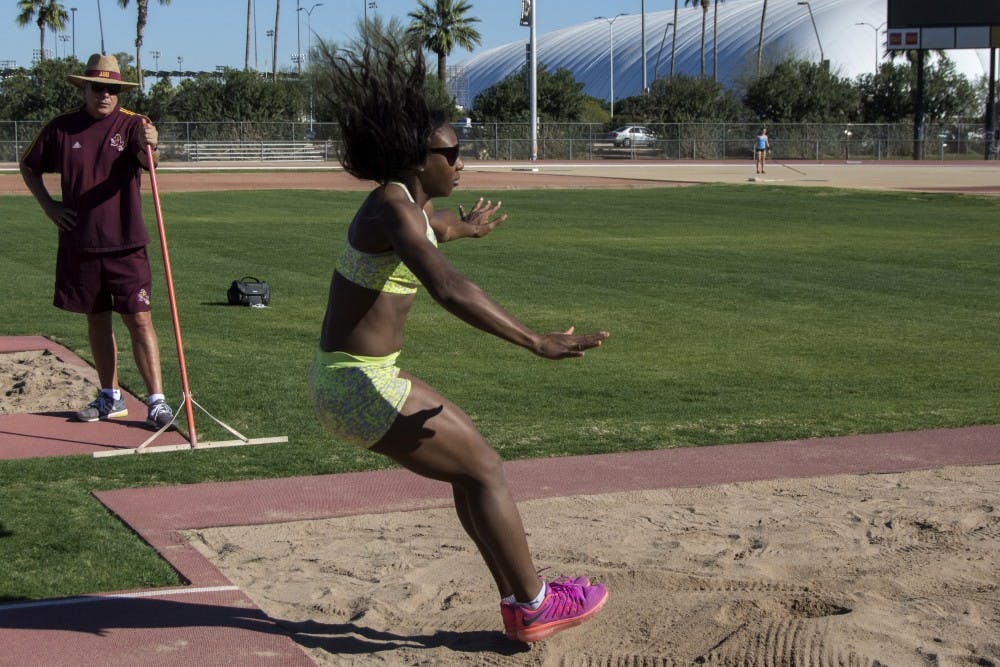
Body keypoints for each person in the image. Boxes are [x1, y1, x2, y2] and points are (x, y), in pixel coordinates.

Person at [308, 38, 610, 643]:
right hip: (358, 385)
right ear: (420, 159)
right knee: (487, 470)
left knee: (474, 473)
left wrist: (464, 227)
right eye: (453, 150)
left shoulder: (406, 207)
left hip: (354, 381)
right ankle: (535, 604)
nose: (462, 161)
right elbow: (446, 286)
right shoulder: (393, 208)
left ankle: (521, 602)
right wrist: (533, 341)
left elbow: (433, 229)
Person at [19, 53, 174, 430]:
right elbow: (28, 165)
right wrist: (49, 207)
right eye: (97, 88)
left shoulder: (135, 124)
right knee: (97, 319)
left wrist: (155, 145)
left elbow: (147, 157)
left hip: (126, 244)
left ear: (119, 92)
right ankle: (110, 396)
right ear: (84, 88)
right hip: (81, 244)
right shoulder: (61, 128)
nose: (104, 95)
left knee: (139, 319)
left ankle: (157, 403)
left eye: (111, 89)